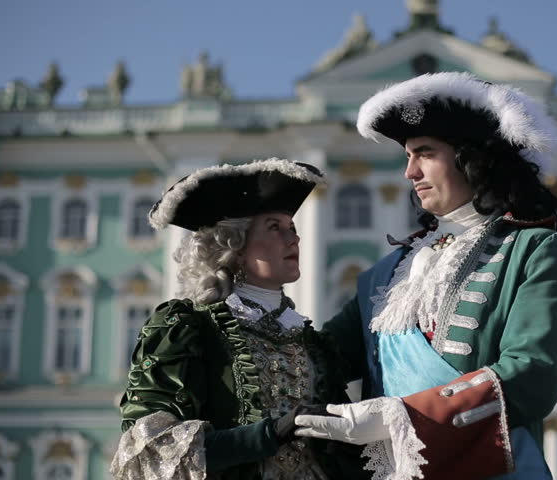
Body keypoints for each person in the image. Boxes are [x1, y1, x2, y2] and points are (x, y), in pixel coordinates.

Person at [295, 72, 557, 480]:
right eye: (408, 156)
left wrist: (403, 417)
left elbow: (532, 376)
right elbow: (320, 359)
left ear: (472, 157)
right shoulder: (387, 275)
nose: (410, 172)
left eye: (424, 153)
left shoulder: (533, 250)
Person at [110, 158, 365, 480]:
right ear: (235, 246)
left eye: (293, 228)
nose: (293, 239)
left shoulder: (311, 341)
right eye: (275, 228)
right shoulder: (188, 328)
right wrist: (267, 434)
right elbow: (150, 450)